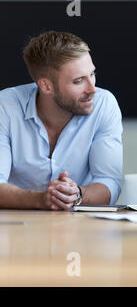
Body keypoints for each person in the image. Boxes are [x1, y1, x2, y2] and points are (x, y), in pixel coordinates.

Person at [0, 31, 123, 210]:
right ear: (46, 86)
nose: (92, 89)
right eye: (79, 81)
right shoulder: (5, 106)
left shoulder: (104, 104)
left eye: (92, 74)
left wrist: (77, 194)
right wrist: (41, 199)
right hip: (15, 225)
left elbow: (109, 181)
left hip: (81, 227)